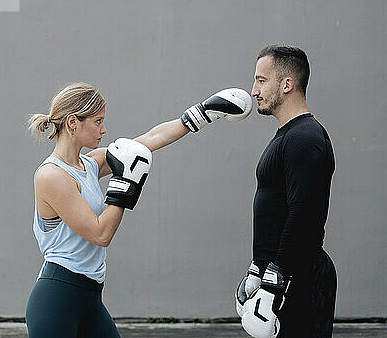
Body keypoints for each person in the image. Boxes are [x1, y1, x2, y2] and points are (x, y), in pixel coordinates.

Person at [25, 82, 252, 338]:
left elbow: (148, 140)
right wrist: (124, 186)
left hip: (89, 297)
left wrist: (203, 113)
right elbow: (100, 234)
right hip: (57, 297)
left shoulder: (89, 164)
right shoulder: (51, 175)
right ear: (73, 123)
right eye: (98, 121)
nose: (104, 129)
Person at [235, 46, 337, 338]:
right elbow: (276, 211)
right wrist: (258, 269)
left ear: (287, 84)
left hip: (299, 278)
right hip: (283, 275)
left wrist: (275, 279)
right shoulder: (289, 136)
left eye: (261, 80)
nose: (254, 91)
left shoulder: (305, 139)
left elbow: (305, 215)